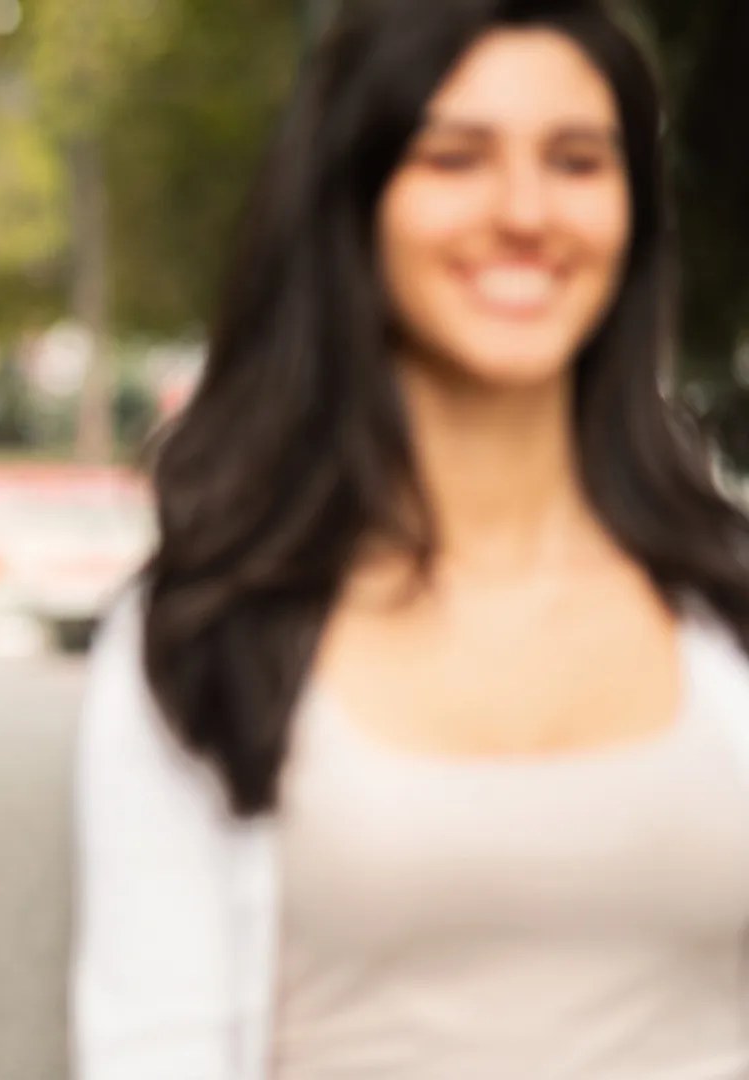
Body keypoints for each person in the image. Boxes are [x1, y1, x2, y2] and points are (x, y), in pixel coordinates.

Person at [71, 1, 749, 1078]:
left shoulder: (724, 608)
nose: (525, 211)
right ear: (357, 199)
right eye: (456, 156)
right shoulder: (206, 637)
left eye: (577, 160)